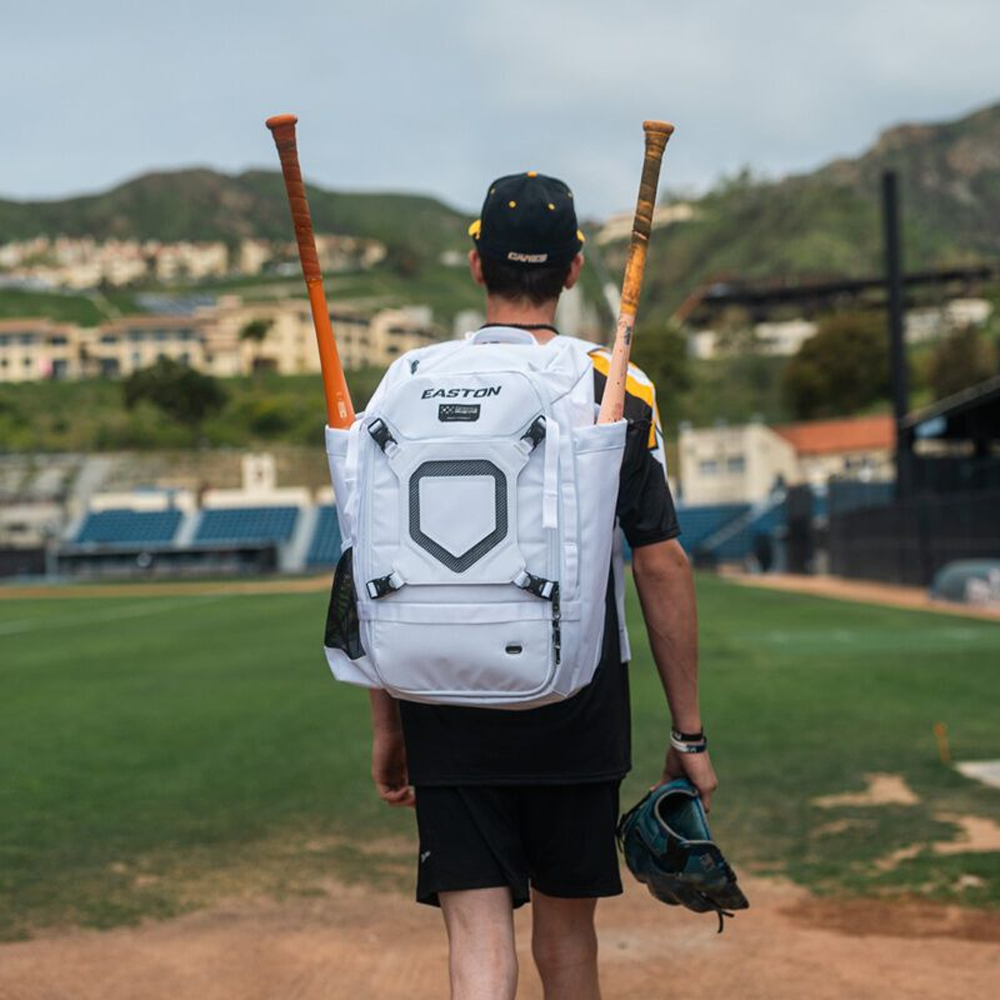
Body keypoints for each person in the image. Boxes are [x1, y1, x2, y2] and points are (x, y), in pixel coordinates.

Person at [366, 171, 715, 1000]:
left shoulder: (406, 379)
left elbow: (369, 562)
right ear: (573, 268)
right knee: (567, 939)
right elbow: (660, 561)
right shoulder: (612, 381)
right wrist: (689, 735)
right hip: (577, 693)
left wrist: (388, 721)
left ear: (476, 264)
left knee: (477, 941)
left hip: (440, 691)